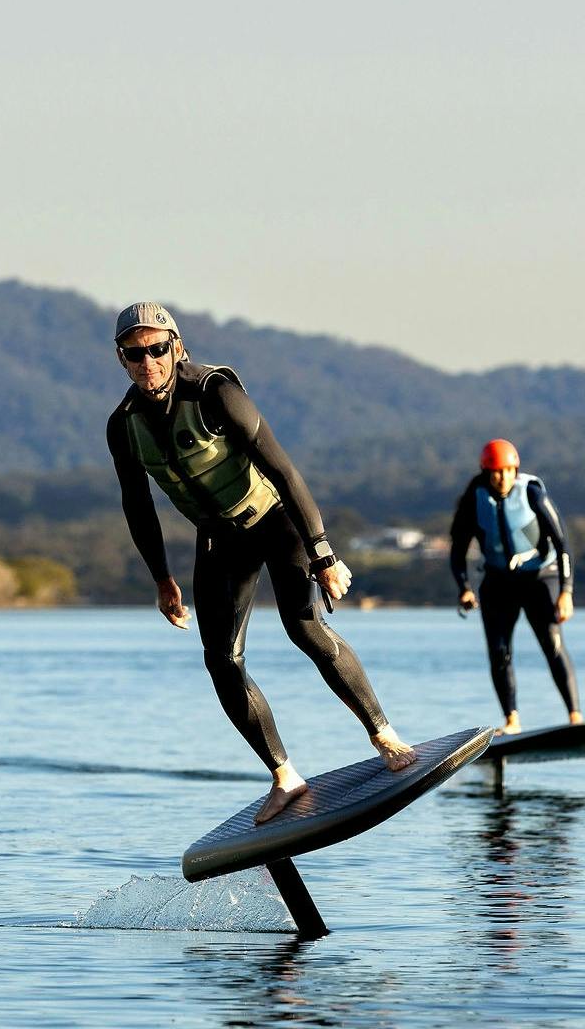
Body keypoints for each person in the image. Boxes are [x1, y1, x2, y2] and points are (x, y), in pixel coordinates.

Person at [106, 301, 416, 823]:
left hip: (276, 522)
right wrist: (163, 580)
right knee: (221, 660)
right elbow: (137, 507)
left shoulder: (215, 393)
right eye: (135, 355)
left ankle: (384, 735)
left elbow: (285, 471)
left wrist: (324, 555)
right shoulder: (124, 425)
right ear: (122, 359)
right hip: (219, 540)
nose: (148, 363)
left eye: (157, 349)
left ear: (176, 347)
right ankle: (284, 777)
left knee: (303, 628)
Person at [449, 439, 581, 734]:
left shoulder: (532, 493)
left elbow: (563, 546)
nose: (503, 478)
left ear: (516, 469)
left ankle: (575, 716)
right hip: (498, 582)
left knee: (552, 643)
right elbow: (458, 550)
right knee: (499, 652)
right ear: (486, 472)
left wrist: (566, 592)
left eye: (509, 471)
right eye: (496, 472)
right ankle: (512, 720)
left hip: (540, 577)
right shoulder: (475, 497)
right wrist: (465, 588)